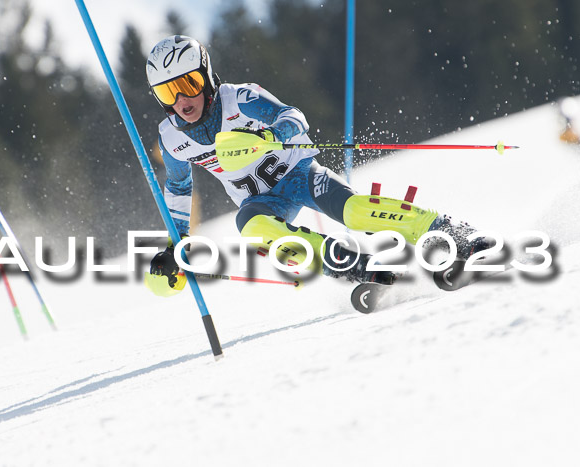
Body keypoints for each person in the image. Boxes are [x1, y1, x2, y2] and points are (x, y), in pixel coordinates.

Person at [143, 35, 487, 297]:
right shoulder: (172, 139)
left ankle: (449, 231)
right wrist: (176, 243)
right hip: (261, 201)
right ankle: (357, 267)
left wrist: (271, 135)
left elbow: (294, 116)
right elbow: (178, 186)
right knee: (250, 227)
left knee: (352, 211)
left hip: (299, 175)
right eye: (167, 92)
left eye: (188, 85)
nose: (181, 101)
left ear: (206, 77)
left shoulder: (240, 99)